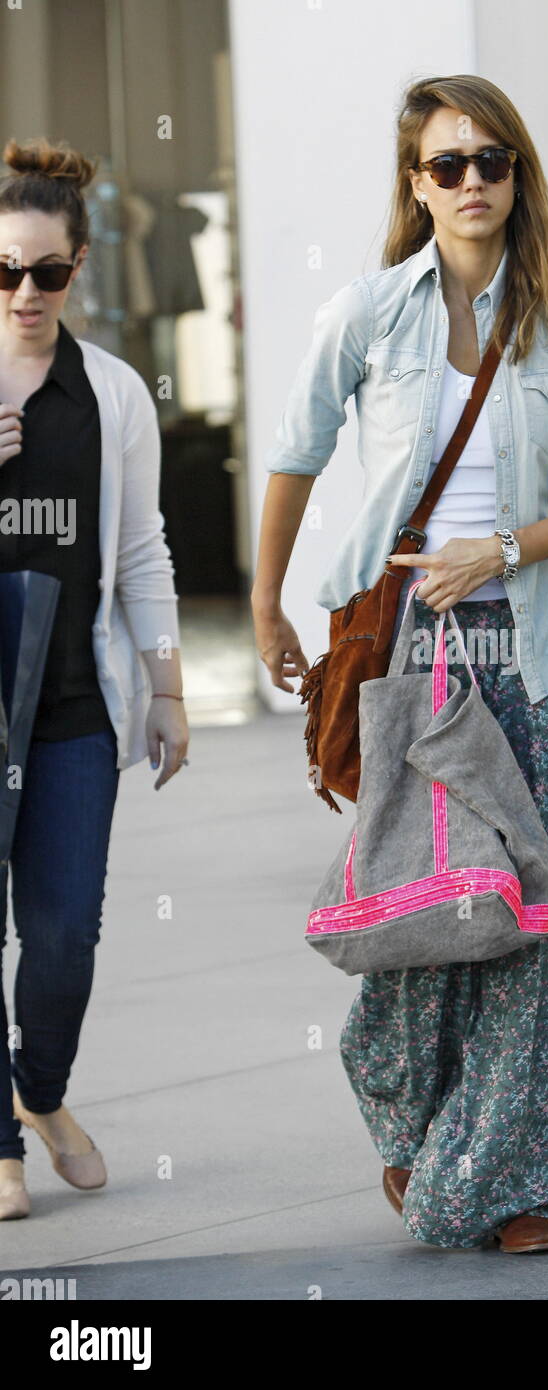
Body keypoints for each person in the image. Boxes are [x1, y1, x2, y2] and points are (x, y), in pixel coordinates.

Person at [252, 75, 548, 1252]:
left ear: (518, 176)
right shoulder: (370, 313)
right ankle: (407, 1114)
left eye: (493, 161)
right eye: (447, 164)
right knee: (424, 924)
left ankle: (513, 1188)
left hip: (530, 656)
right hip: (411, 664)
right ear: (415, 185)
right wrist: (268, 603)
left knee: (542, 930)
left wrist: (506, 548)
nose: (472, 182)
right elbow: (294, 455)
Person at [0, 138, 188, 1221]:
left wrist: (165, 690)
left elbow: (147, 549)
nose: (26, 293)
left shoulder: (111, 393)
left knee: (65, 933)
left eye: (48, 272)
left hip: (72, 702)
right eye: (5, 271)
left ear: (79, 269)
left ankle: (41, 1091)